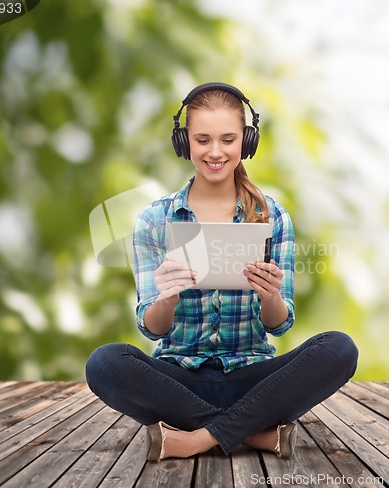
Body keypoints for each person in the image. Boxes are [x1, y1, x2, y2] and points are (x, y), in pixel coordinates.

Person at [85, 82, 359, 462]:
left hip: (253, 379)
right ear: (185, 144)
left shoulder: (273, 216)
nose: (215, 152)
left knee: (340, 349)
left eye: (228, 139)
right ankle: (252, 433)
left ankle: (198, 438)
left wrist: (271, 296)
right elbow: (152, 328)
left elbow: (279, 325)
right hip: (178, 381)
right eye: (202, 140)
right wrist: (167, 298)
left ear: (246, 142)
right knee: (104, 363)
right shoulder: (154, 219)